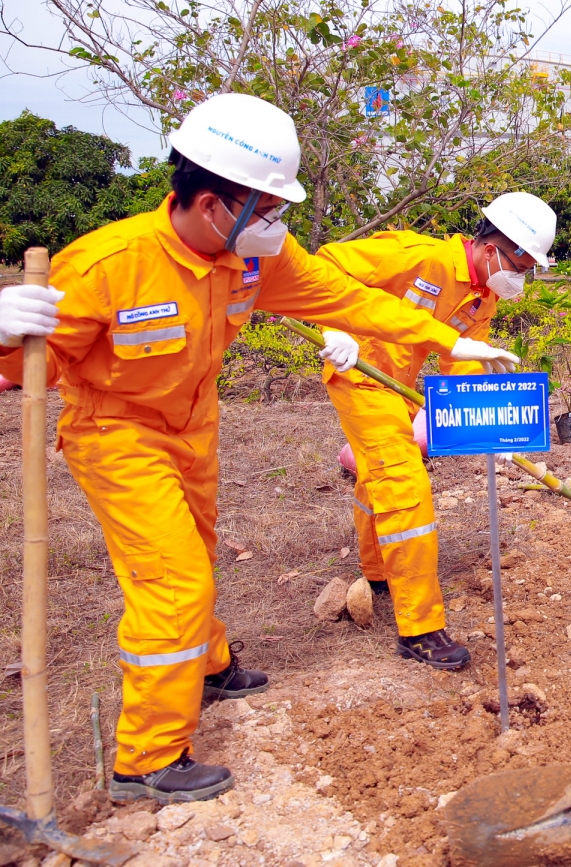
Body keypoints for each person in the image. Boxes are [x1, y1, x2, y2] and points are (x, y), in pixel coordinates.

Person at [0, 94, 513, 804]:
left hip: (194, 422)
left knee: (196, 555)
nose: (278, 226)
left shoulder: (251, 256)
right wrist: (2, 337)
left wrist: (447, 339)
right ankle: (145, 761)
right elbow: (27, 373)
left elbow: (342, 295)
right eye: (268, 210)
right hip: (115, 432)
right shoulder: (108, 265)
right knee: (173, 580)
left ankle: (205, 667)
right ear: (213, 205)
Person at [313, 192, 552, 671]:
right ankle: (420, 628)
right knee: (405, 483)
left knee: (378, 476)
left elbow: (462, 363)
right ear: (490, 250)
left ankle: (376, 569)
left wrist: (494, 422)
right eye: (519, 265)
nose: (519, 278)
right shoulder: (419, 256)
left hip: (397, 385)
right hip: (358, 372)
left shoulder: (483, 296)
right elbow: (326, 263)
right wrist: (330, 328)